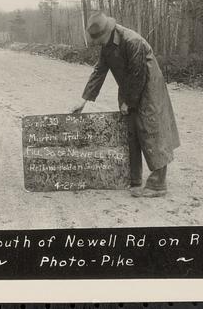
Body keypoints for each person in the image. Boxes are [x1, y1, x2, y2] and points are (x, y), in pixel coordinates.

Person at [70, 13, 180, 197]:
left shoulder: (132, 41)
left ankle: (158, 184)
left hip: (149, 87)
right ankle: (134, 178)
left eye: (98, 38)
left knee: (151, 129)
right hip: (130, 86)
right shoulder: (107, 45)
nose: (96, 42)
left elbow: (138, 74)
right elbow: (99, 71)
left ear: (108, 31)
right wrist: (84, 100)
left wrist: (128, 102)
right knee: (130, 129)